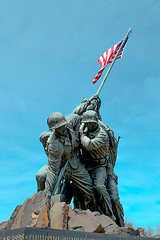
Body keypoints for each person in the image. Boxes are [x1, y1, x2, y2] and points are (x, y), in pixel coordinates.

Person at [44, 112, 96, 210]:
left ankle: (93, 212)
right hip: (62, 166)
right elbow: (53, 171)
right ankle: (44, 201)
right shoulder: (54, 144)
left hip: (75, 163)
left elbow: (77, 117)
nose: (61, 129)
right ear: (54, 129)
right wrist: (47, 194)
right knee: (42, 177)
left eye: (62, 126)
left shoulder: (71, 121)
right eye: (58, 128)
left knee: (89, 186)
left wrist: (79, 132)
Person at [80, 110, 116, 221]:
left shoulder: (102, 135)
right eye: (87, 123)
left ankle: (109, 215)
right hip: (86, 165)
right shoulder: (86, 129)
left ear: (96, 122)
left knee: (99, 187)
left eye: (92, 123)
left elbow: (88, 145)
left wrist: (81, 134)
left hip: (99, 166)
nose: (90, 125)